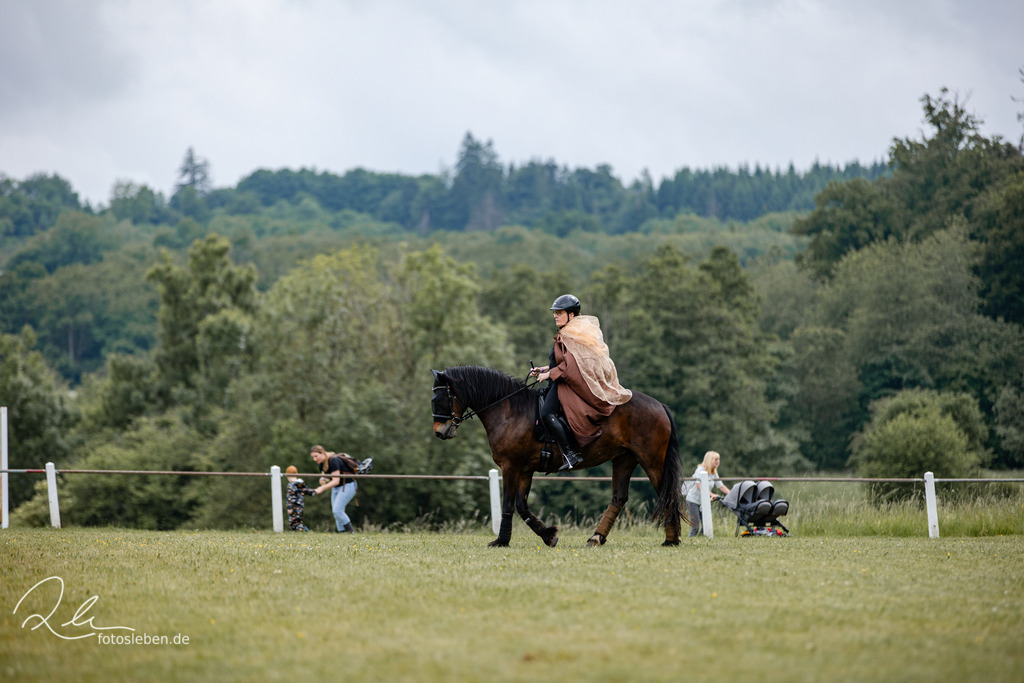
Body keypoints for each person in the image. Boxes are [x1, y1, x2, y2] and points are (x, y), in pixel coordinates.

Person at [529, 294, 632, 471]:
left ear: (572, 315)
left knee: (547, 413)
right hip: (559, 379)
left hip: (565, 384)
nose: (555, 315)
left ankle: (571, 454)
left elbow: (574, 365)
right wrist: (544, 369)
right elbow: (564, 362)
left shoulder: (574, 336)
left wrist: (550, 374)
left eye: (559, 312)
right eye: (555, 312)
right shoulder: (568, 333)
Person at [310, 445, 358, 532]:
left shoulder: (333, 460)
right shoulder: (321, 464)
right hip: (336, 488)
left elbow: (336, 480)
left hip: (348, 485)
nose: (314, 459)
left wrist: (322, 488)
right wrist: (323, 480)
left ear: (322, 453)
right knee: (336, 513)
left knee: (337, 511)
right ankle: (342, 533)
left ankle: (351, 532)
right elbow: (328, 477)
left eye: (316, 456)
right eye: (313, 457)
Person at [685, 450, 730, 537]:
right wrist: (712, 494)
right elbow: (699, 486)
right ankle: (690, 542)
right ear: (710, 460)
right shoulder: (700, 470)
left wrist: (732, 494)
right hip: (693, 501)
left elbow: (721, 486)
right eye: (716, 459)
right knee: (695, 526)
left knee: (705, 526)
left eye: (718, 459)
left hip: (703, 501)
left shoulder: (714, 472)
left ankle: (698, 541)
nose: (718, 462)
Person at [285, 465, 316, 532]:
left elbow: (290, 497)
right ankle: (301, 530)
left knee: (293, 521)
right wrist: (314, 491)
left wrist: (289, 507)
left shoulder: (291, 485)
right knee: (299, 520)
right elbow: (306, 490)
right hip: (300, 505)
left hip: (294, 506)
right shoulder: (300, 484)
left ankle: (300, 531)